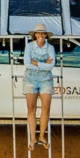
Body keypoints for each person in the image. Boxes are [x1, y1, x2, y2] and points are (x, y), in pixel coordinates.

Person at [24, 23, 55, 151]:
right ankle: (33, 138)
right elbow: (27, 64)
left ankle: (42, 136)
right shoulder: (29, 46)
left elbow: (51, 66)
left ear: (46, 35)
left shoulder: (50, 47)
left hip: (46, 80)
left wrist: (35, 62)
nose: (41, 36)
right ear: (35, 35)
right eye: (39, 33)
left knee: (46, 107)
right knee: (31, 108)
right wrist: (43, 64)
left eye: (43, 33)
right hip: (30, 79)